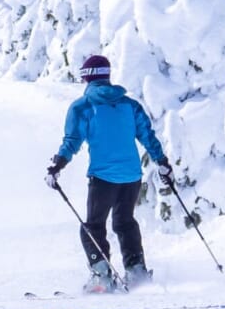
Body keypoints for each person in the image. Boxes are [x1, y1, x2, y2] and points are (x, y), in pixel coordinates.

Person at [45, 53, 168, 292]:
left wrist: (57, 165)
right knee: (125, 222)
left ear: (87, 79)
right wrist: (162, 162)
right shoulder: (129, 105)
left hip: (103, 177)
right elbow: (147, 136)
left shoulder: (83, 107)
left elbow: (72, 141)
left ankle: (102, 276)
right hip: (132, 176)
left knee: (92, 226)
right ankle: (136, 272)